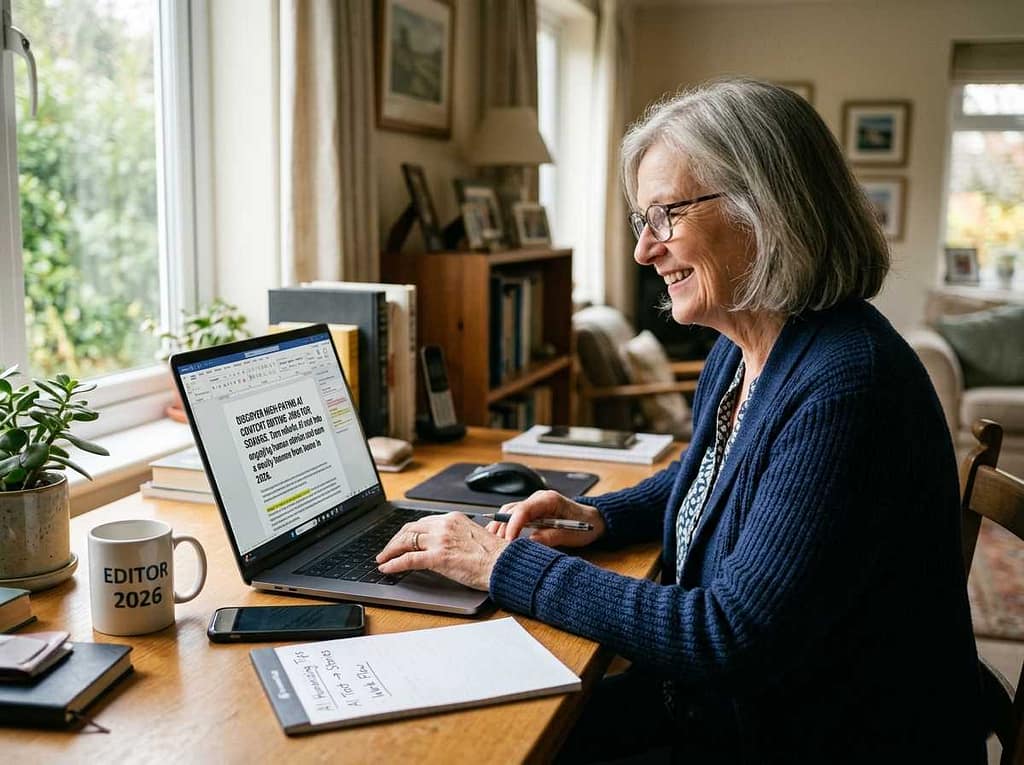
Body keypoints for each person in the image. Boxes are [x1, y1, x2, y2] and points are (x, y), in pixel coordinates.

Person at [376, 78, 984, 762]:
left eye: (666, 214)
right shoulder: (747, 347)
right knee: (466, 728)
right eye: (643, 220)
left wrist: (504, 565)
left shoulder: (848, 387)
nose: (644, 249)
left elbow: (727, 637)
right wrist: (597, 516)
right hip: (733, 709)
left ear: (767, 208)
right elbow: (720, 479)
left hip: (813, 735)